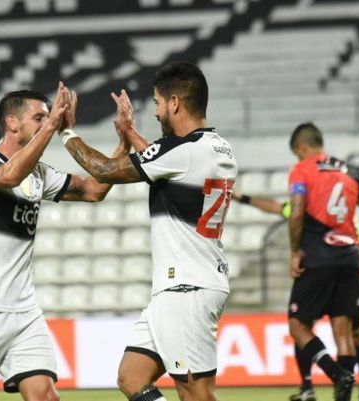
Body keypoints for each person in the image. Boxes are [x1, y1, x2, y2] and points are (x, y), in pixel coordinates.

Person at [0, 82, 129, 401]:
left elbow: (95, 191)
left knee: (45, 397)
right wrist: (52, 126)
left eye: (46, 117)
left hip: (24, 310)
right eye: (39, 117)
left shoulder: (39, 174)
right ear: (13, 123)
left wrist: (123, 143)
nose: (46, 121)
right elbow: (9, 176)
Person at [58, 61, 237, 401]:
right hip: (184, 284)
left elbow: (105, 169)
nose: (154, 112)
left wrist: (66, 131)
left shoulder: (181, 152)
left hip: (187, 287)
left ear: (174, 103)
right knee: (132, 377)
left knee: (196, 394)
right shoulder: (217, 148)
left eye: (156, 103)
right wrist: (132, 136)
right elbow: (168, 163)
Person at [233, 191, 359, 401]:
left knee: (323, 329)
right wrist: (242, 198)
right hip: (335, 272)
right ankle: (311, 386)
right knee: (330, 331)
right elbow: (274, 206)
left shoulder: (312, 209)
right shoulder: (329, 211)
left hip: (322, 271)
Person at [285, 123, 359, 401]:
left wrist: (294, 252)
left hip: (317, 257)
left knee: (297, 325)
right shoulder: (351, 171)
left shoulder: (302, 169)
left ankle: (336, 373)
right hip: (349, 257)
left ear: (302, 148)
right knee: (344, 331)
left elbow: (297, 212)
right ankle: (344, 396)